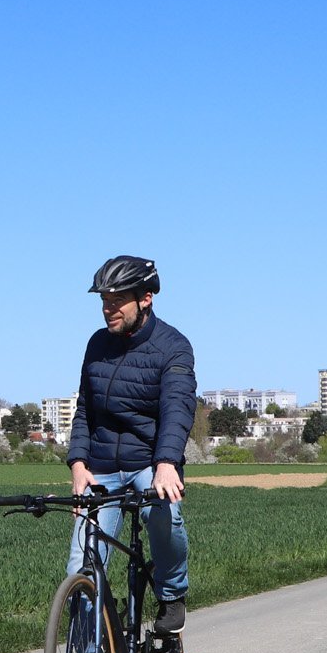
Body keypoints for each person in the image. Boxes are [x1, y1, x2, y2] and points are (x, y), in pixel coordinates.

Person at [66, 255, 197, 633]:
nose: (108, 309)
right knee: (80, 567)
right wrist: (78, 465)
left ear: (145, 298)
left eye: (116, 300)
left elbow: (177, 407)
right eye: (103, 301)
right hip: (101, 467)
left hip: (149, 464)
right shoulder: (96, 345)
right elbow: (84, 409)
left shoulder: (173, 346)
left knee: (165, 515)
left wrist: (167, 462)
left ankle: (171, 593)